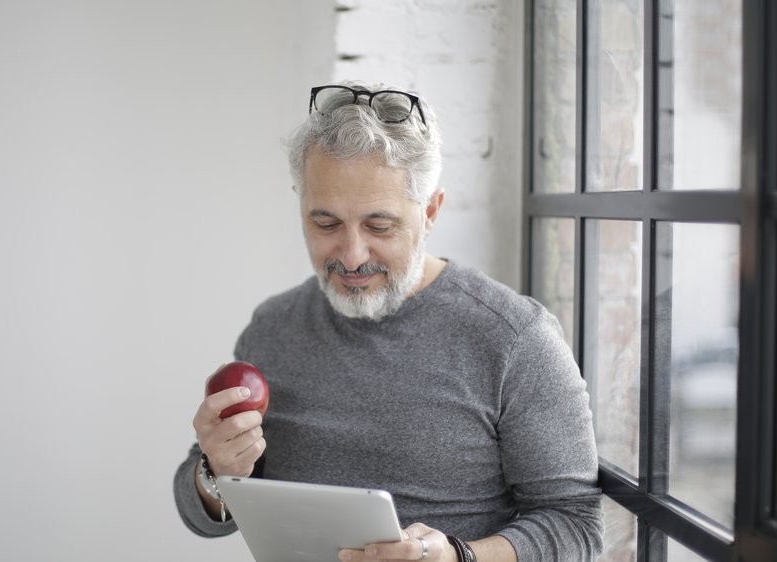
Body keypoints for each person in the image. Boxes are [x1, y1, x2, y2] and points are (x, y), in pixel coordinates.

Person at [173, 81, 603, 562]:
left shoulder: (514, 338)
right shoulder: (273, 327)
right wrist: (214, 471)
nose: (352, 256)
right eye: (326, 223)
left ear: (431, 212)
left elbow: (576, 527)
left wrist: (460, 556)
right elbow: (201, 511)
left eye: (380, 226)